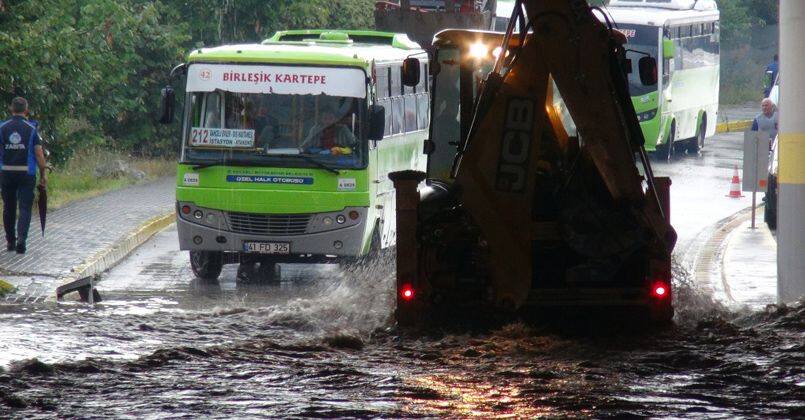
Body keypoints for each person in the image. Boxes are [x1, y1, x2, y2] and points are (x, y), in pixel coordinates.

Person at [0, 97, 47, 254]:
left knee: (9, 207)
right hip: (26, 173)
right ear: (26, 110)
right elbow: (39, 153)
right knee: (25, 207)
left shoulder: (2, 127)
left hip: (6, 172)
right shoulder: (32, 128)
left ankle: (10, 242)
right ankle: (22, 241)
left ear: (11, 110)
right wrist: (43, 173)